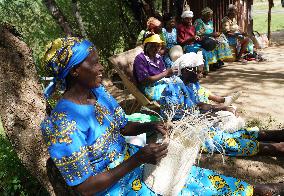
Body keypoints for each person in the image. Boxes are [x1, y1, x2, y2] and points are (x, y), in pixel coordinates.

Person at [41, 37, 283, 195]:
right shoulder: (63, 125)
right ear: (74, 71)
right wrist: (137, 160)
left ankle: (262, 190)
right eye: (93, 64)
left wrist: (150, 127)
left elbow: (123, 127)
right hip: (115, 187)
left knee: (199, 178)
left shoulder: (99, 93)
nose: (101, 67)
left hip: (133, 162)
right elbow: (85, 188)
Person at [175, 53, 284, 158]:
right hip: (190, 132)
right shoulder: (174, 89)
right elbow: (195, 110)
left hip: (201, 124)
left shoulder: (192, 85)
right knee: (228, 141)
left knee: (237, 133)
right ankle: (277, 148)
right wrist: (222, 109)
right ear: (185, 70)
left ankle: (274, 135)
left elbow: (201, 106)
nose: (201, 75)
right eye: (198, 72)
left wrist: (223, 109)